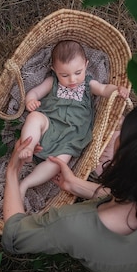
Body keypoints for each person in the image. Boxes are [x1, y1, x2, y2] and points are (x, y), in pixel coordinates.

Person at [2, 105, 137, 272]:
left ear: (119, 164)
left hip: (111, 259)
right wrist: (75, 185)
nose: (115, 133)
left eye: (119, 136)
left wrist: (12, 171)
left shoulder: (72, 225)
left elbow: (15, 236)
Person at [17, 39, 129, 199]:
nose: (72, 80)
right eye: (64, 75)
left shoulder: (88, 84)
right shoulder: (52, 82)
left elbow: (104, 89)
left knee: (58, 163)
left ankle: (26, 183)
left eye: (78, 72)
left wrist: (116, 90)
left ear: (86, 65)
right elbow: (35, 92)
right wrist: (31, 100)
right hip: (49, 123)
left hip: (70, 137)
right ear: (54, 70)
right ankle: (29, 147)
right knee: (34, 117)